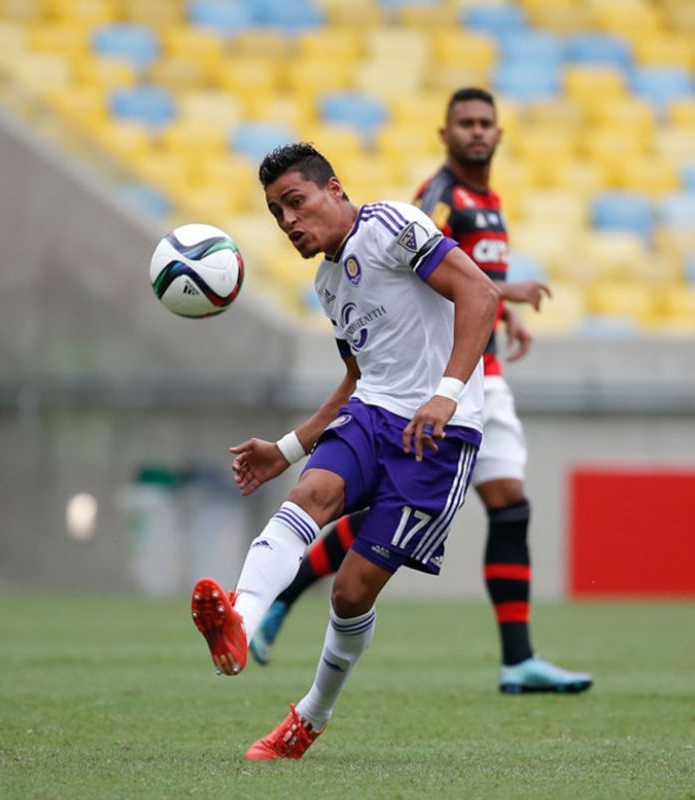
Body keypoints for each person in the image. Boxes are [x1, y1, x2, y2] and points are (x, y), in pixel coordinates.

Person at [249, 88, 592, 696]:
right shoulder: (432, 202)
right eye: (466, 123)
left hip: (461, 387)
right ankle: (272, 601)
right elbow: (427, 278)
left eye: (487, 122)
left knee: (501, 506)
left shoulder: (490, 203)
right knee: (367, 505)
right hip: (432, 390)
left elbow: (468, 286)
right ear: (445, 132)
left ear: (500, 133)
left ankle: (516, 657)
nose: (478, 132)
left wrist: (496, 311)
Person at [190, 141, 499, 759]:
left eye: (296, 203)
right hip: (373, 415)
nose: (289, 223)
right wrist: (286, 448)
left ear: (335, 190)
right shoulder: (329, 281)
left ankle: (309, 718)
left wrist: (445, 394)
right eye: (277, 213)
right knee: (311, 494)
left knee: (351, 592)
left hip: (440, 434)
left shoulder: (391, 226)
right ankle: (239, 622)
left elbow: (481, 295)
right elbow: (358, 381)